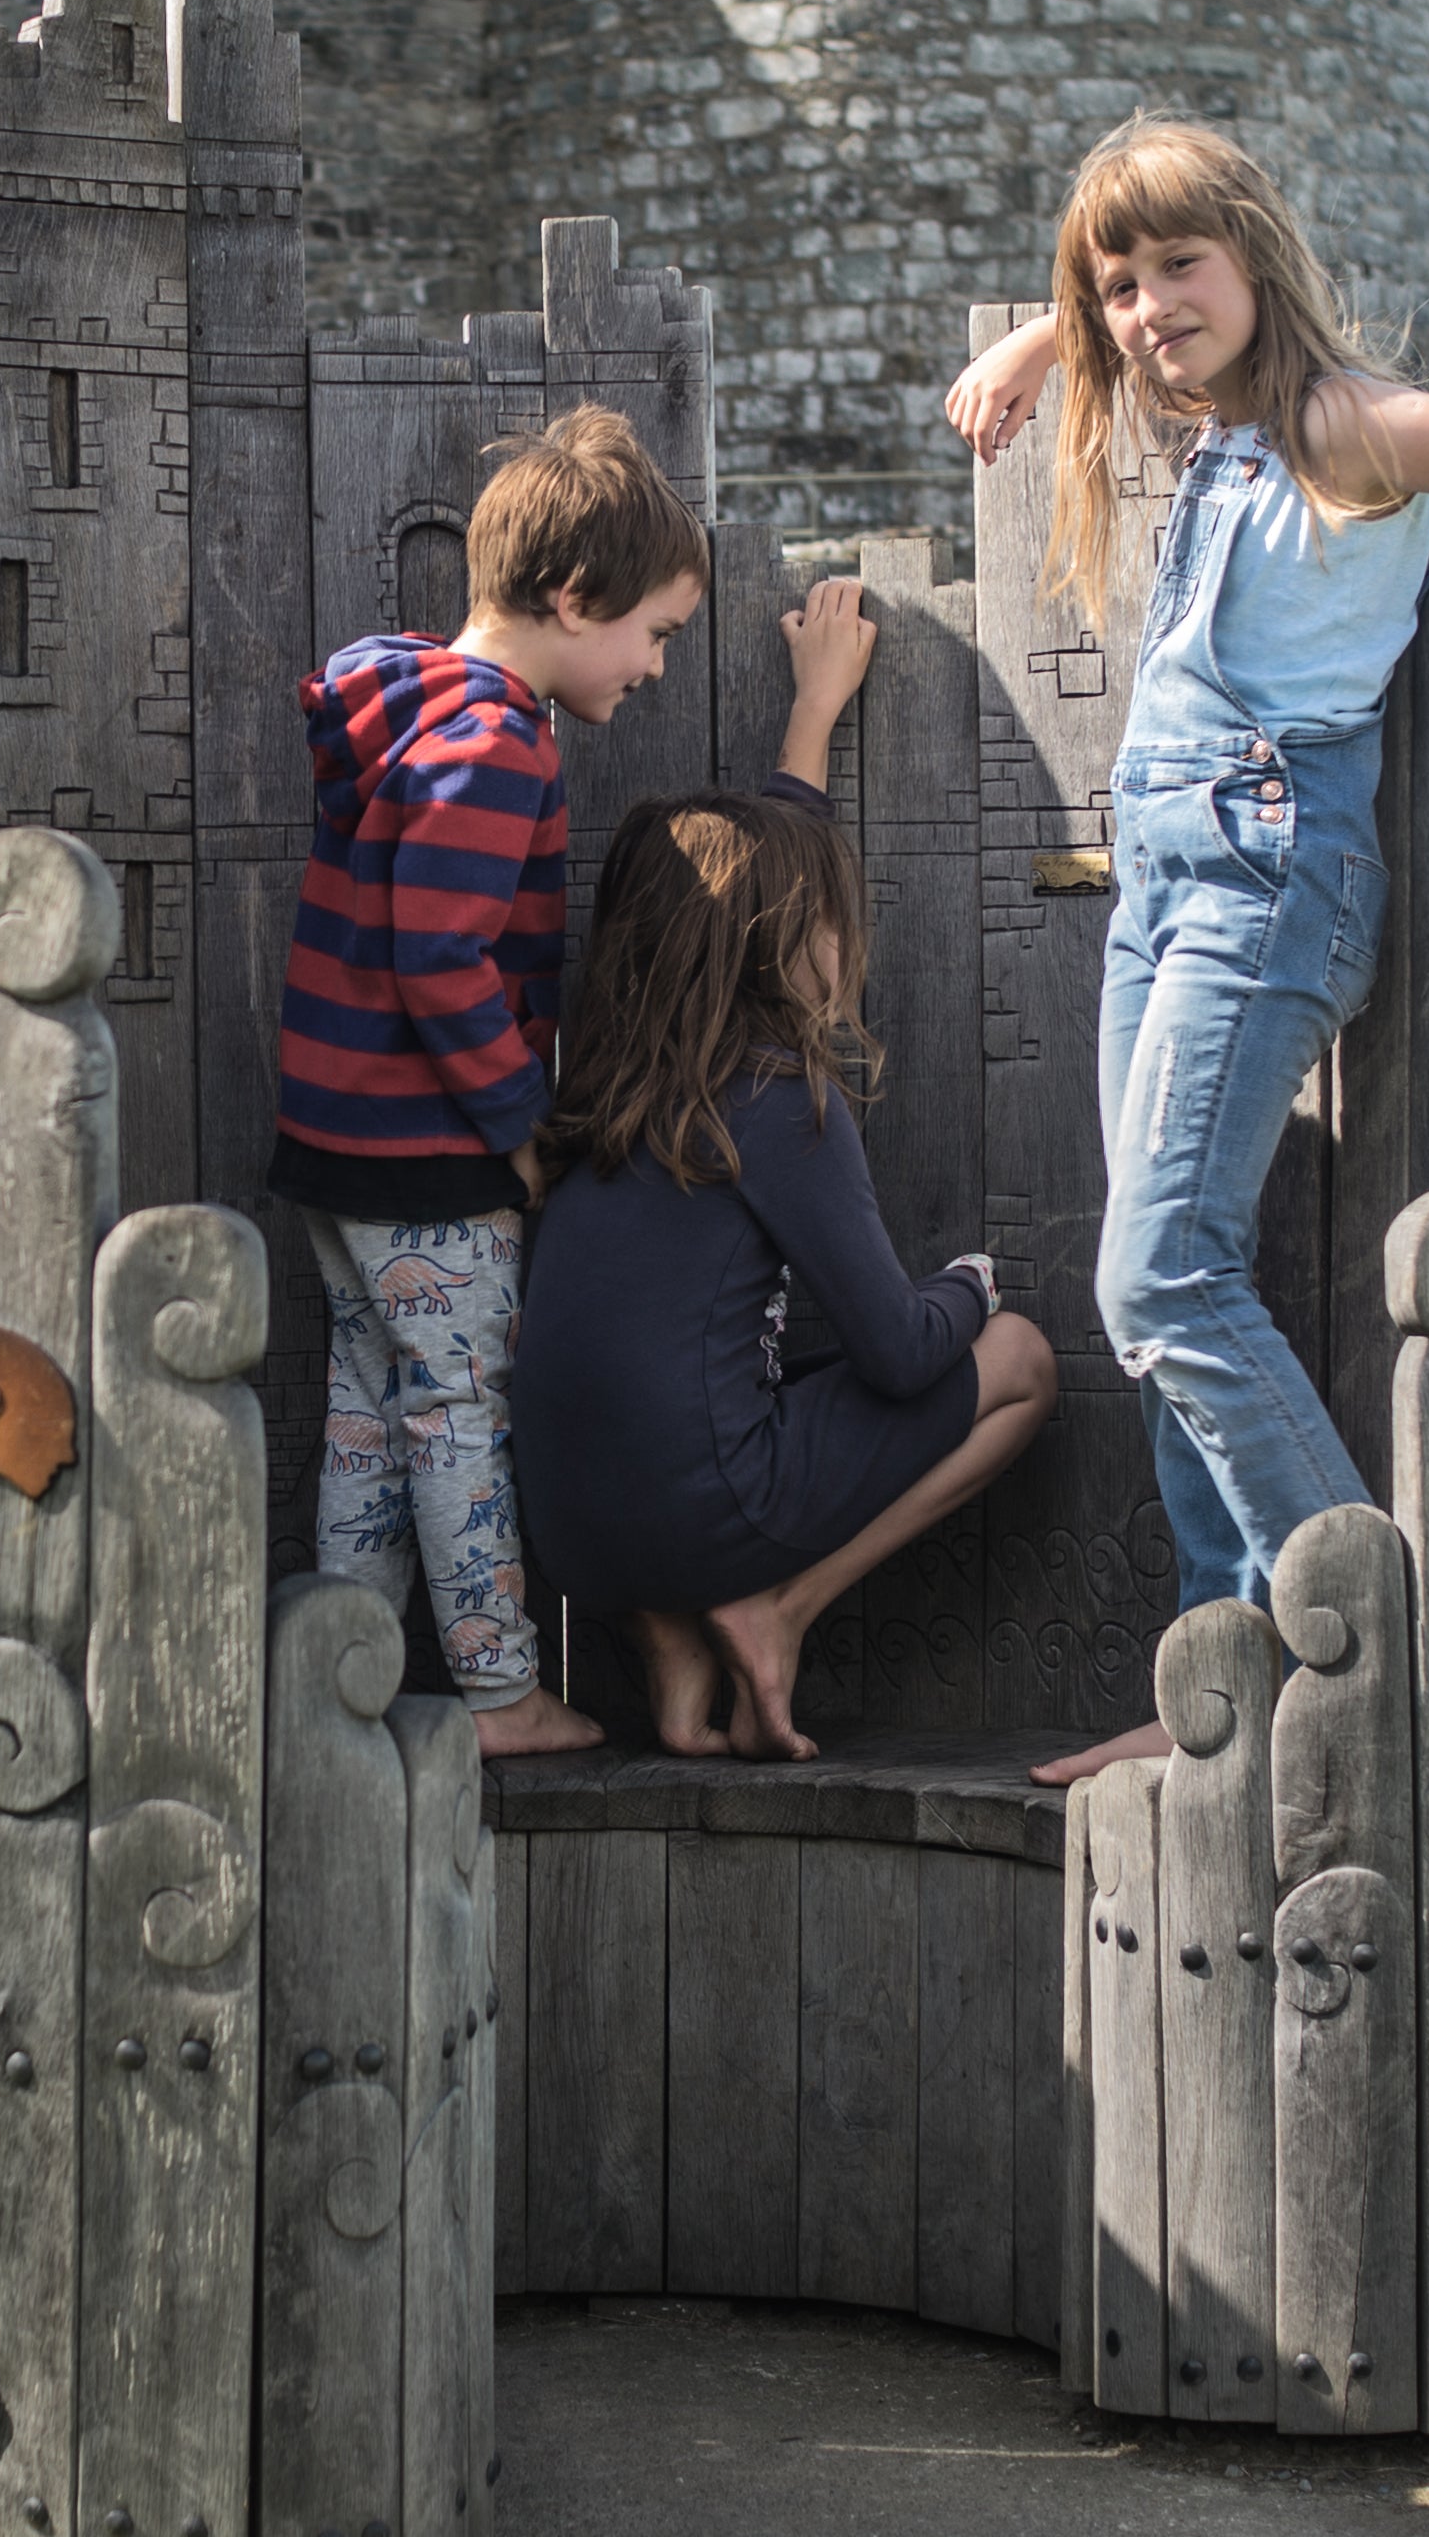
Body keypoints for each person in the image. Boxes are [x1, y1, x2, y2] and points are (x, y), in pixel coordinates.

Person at [931, 118, 1429, 1788]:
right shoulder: (1213, 423)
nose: (1144, 305)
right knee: (1182, 1284)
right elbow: (1140, 328)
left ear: (1252, 255)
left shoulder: (1340, 421)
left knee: (1156, 1277)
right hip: (1168, 877)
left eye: (1177, 266)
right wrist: (1059, 322)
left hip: (1266, 869)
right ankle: (1231, 1689)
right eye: (1117, 283)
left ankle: (1362, 1642)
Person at [511, 648, 1062, 1763]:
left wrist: (811, 710)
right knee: (1016, 1359)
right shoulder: (778, 1100)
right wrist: (967, 1285)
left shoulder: (602, 1080)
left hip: (563, 1532)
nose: (839, 939)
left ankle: (667, 1652)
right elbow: (902, 1354)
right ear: (778, 942)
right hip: (706, 1507)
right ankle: (780, 1610)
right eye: (822, 917)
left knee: (672, 1391)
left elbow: (738, 866)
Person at [276, 403, 710, 1759]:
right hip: (429, 1148)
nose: (652, 667)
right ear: (576, 598)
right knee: (463, 1406)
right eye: (652, 633)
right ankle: (499, 1691)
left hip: (336, 1140)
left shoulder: (411, 703)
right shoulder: (498, 738)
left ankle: (340, 1679)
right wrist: (521, 1126)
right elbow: (440, 954)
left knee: (368, 1408)